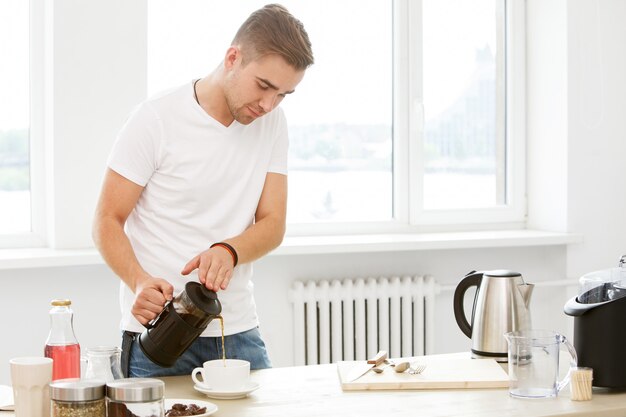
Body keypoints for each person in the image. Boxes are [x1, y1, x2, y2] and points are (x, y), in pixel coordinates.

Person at [92, 3, 314, 377]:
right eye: (264, 86)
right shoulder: (155, 119)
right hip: (158, 332)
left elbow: (273, 224)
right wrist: (139, 281)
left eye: (283, 95)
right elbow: (106, 220)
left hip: (238, 330)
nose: (268, 104)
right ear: (233, 57)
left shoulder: (273, 124)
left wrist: (229, 250)